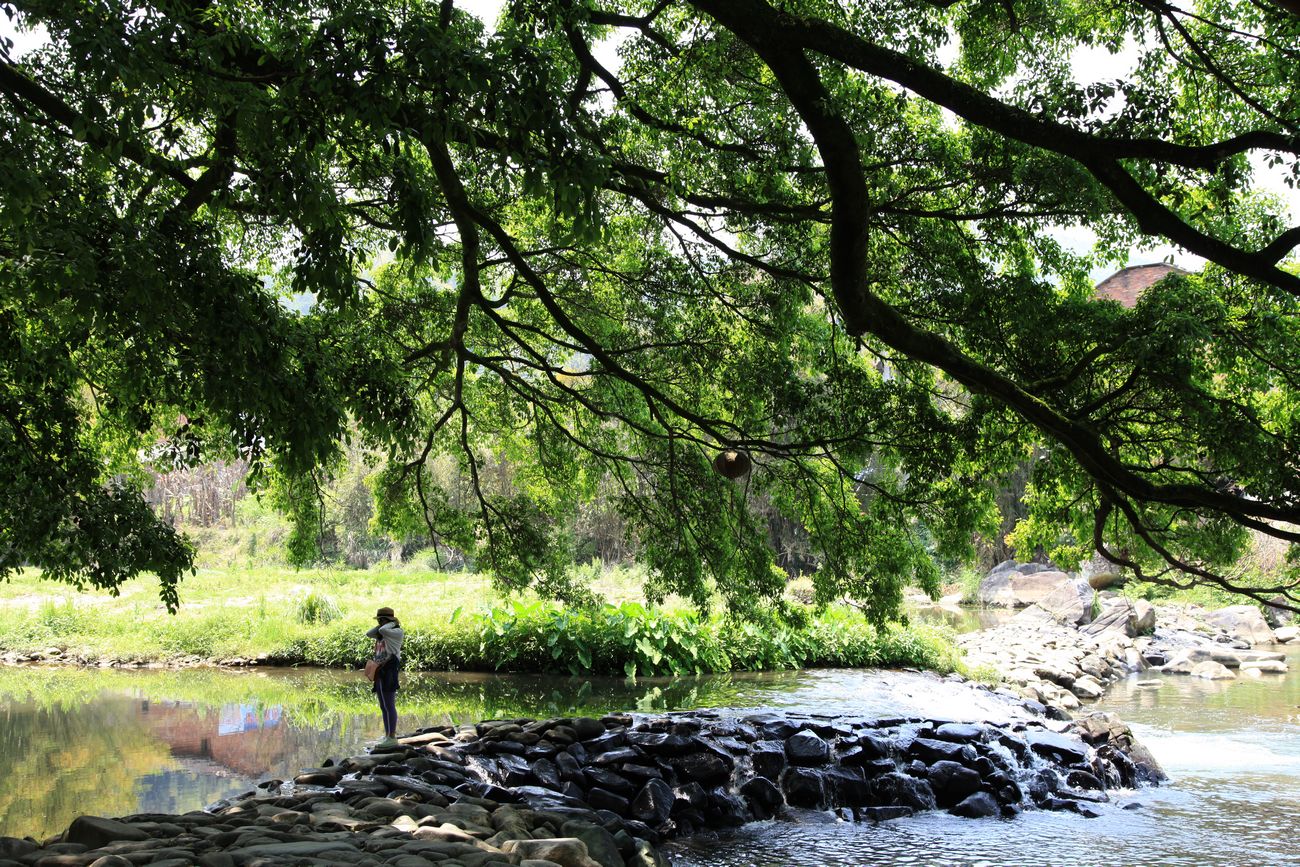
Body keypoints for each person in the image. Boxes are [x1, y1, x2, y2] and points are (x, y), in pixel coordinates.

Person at [365, 606, 404, 749]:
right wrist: (383, 623)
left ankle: (392, 737)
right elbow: (369, 633)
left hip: (389, 669)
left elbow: (382, 630)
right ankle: (387, 735)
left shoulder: (396, 631)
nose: (379, 623)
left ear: (388, 620)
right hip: (379, 669)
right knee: (383, 706)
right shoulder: (383, 632)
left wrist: (391, 622)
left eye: (381, 620)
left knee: (389, 704)